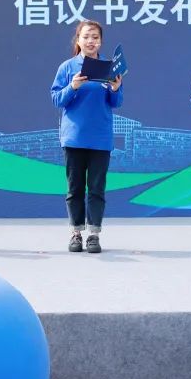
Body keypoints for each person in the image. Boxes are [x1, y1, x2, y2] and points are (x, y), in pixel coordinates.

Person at [50, 20, 123, 254]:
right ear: (78, 40)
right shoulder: (67, 67)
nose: (91, 41)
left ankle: (93, 234)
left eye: (95, 37)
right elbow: (56, 99)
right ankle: (75, 232)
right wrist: (72, 86)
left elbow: (117, 102)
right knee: (75, 188)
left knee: (96, 189)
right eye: (86, 37)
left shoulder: (109, 68)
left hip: (100, 137)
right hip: (74, 137)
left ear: (101, 41)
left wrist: (115, 88)